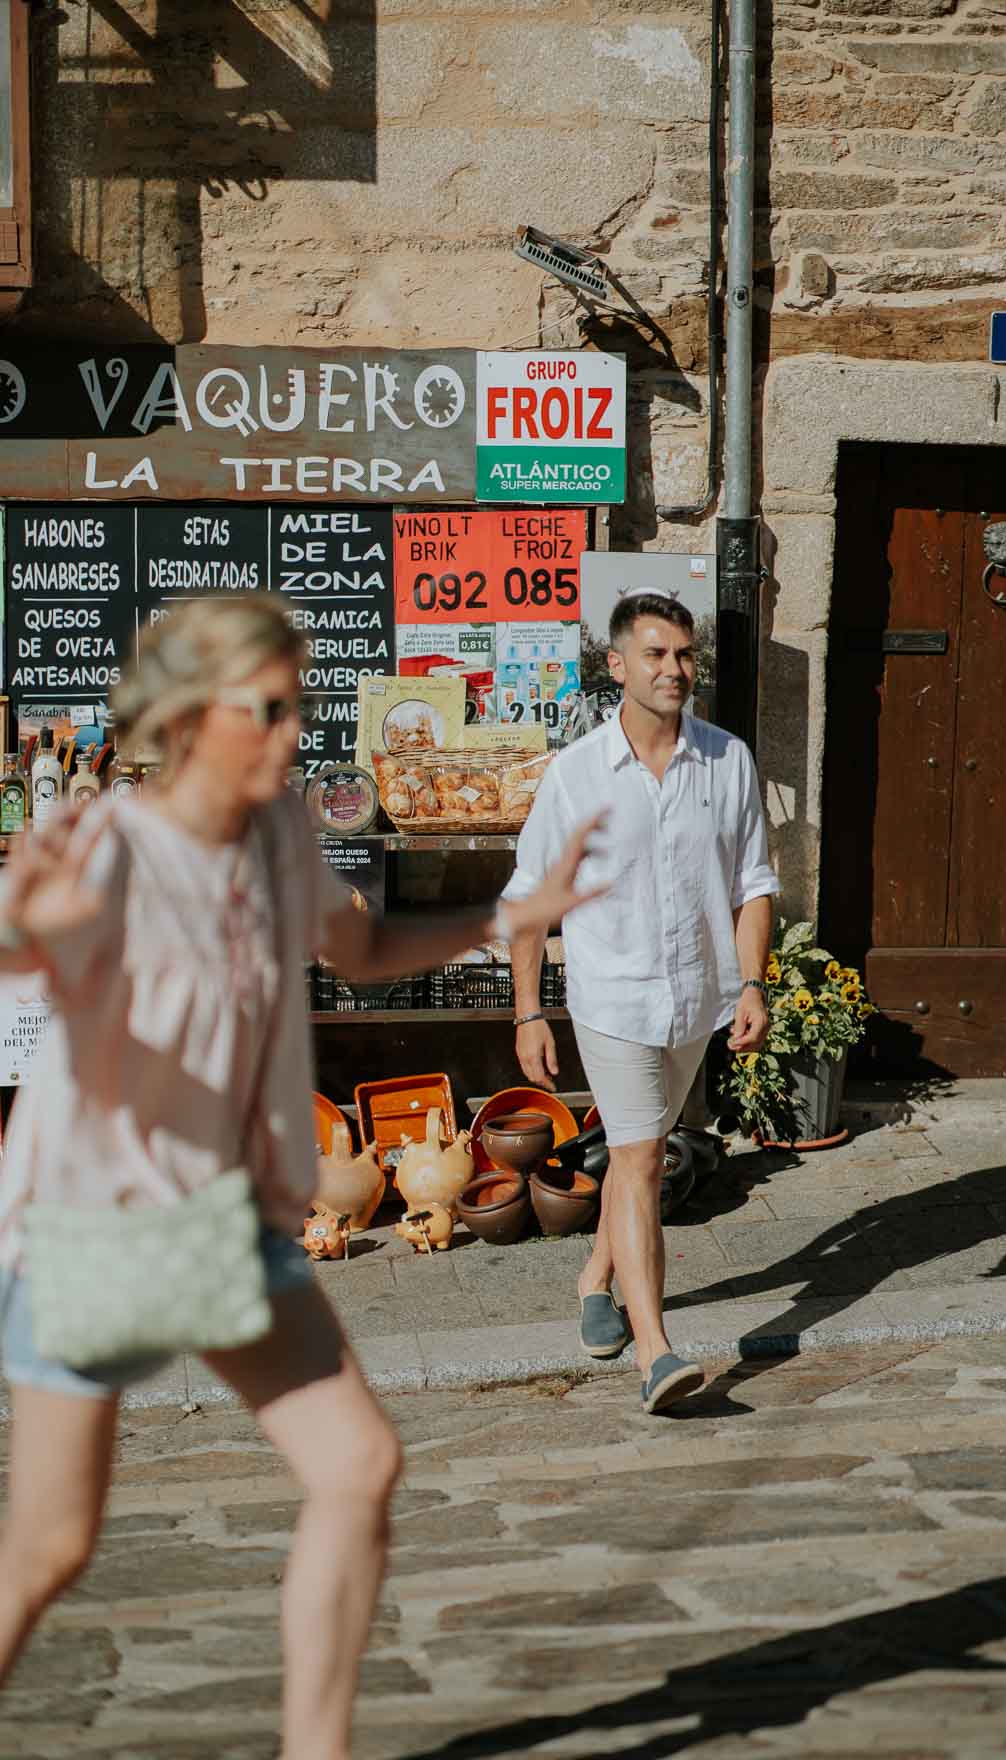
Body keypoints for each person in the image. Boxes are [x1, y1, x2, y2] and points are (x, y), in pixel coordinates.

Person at [0, 595, 602, 1760]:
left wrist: (510, 915)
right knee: (51, 1546)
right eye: (265, 709)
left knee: (359, 1460)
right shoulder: (114, 846)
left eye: (300, 706)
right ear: (185, 714)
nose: (290, 733)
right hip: (95, 1224)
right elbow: (38, 938)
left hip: (230, 1216)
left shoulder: (279, 828)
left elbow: (362, 950)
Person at [504, 590, 779, 1414]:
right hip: (611, 996)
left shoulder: (727, 760)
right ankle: (656, 1353)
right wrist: (527, 1012)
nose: (674, 670)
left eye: (685, 655)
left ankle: (595, 1275)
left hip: (696, 996)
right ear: (616, 665)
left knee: (645, 1144)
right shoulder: (576, 775)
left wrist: (754, 981)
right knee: (638, 1160)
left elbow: (753, 884)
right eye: (656, 655)